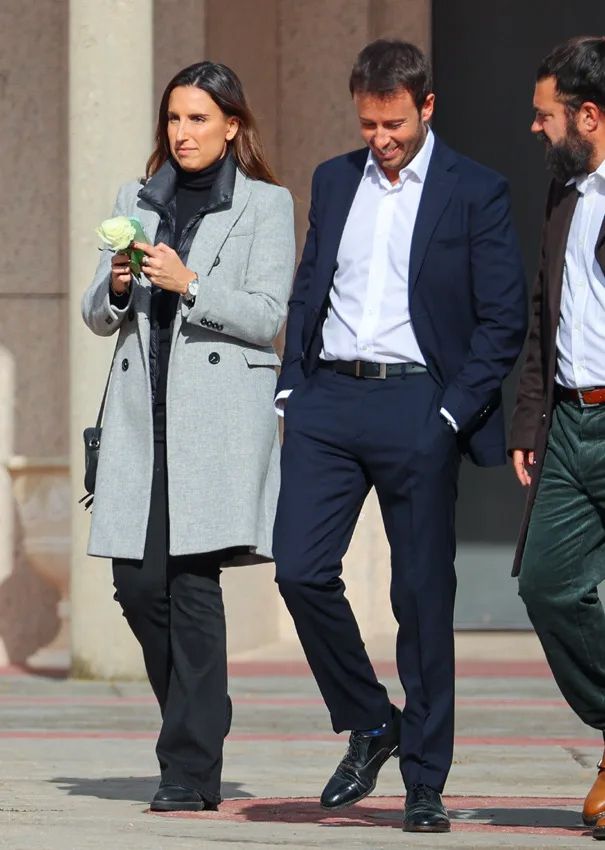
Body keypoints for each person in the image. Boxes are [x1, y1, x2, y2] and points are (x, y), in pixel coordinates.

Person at [273, 38, 527, 834]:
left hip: (419, 404)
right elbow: (311, 284)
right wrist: (291, 385)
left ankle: (423, 779)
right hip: (326, 402)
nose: (379, 139)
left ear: (426, 107)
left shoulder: (474, 190)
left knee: (419, 596)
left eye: (393, 124)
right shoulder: (333, 179)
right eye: (367, 124)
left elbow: (503, 317)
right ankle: (369, 719)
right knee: (298, 569)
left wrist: (449, 414)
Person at [81, 61, 295, 812]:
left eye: (199, 119)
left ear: (232, 126)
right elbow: (96, 314)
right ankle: (202, 712)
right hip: (142, 418)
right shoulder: (135, 200)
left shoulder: (266, 204)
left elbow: (268, 315)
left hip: (216, 424)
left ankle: (188, 767)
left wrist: (190, 284)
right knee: (137, 585)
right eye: (174, 119)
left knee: (192, 585)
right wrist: (116, 286)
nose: (183, 133)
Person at [509, 36, 605, 842]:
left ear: (589, 116)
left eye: (546, 115)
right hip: (570, 420)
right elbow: (545, 311)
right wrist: (530, 413)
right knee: (545, 584)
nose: (535, 127)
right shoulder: (563, 194)